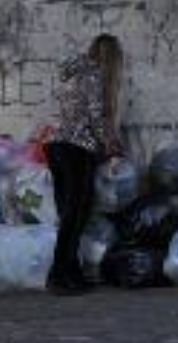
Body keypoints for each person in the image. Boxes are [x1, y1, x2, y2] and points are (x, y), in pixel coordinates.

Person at [44, 34, 125, 295]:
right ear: (110, 56)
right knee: (76, 213)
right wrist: (111, 144)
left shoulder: (72, 71)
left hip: (54, 144)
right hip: (75, 147)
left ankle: (71, 271)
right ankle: (58, 274)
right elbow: (94, 114)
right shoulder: (94, 74)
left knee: (68, 210)